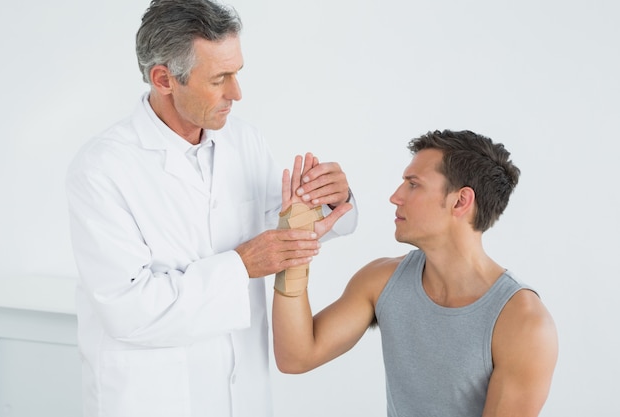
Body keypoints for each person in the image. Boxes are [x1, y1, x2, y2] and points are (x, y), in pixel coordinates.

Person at [65, 1, 357, 416]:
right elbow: (128, 310)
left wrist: (330, 198)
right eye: (220, 78)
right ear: (164, 79)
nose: (237, 93)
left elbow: (285, 226)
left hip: (243, 395)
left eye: (237, 72)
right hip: (153, 399)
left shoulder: (244, 141)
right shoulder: (102, 170)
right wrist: (240, 266)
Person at [272, 129, 558, 417]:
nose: (395, 197)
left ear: (460, 201)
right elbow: (296, 356)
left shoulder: (524, 322)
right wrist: (294, 241)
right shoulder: (381, 281)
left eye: (413, 184)